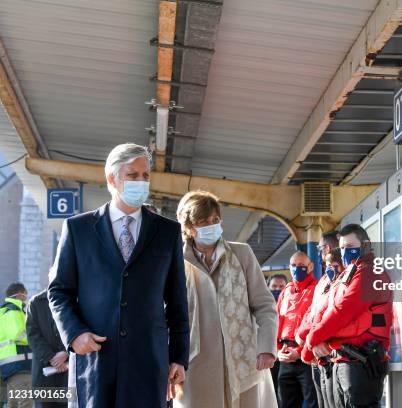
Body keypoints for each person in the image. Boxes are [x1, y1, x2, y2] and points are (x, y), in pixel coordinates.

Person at [48, 143, 189, 408]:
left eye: (145, 175)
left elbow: (177, 301)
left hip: (149, 362)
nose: (141, 182)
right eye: (133, 175)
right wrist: (75, 334)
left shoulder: (167, 232)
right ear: (112, 179)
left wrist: (179, 356)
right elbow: (59, 291)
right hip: (96, 360)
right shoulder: (78, 229)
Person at [175, 190, 278, 408]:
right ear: (189, 228)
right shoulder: (175, 261)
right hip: (195, 365)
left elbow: (264, 305)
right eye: (203, 221)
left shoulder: (242, 254)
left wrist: (266, 346)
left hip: (243, 362)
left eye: (215, 219)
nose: (212, 225)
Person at [306, 224, 392, 408]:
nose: (346, 252)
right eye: (342, 247)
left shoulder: (369, 272)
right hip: (343, 360)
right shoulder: (348, 274)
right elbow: (326, 311)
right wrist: (312, 344)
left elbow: (343, 312)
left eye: (351, 246)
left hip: (361, 362)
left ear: (366, 245)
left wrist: (312, 340)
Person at [297, 248, 343, 408]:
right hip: (317, 353)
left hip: (330, 352)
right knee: (322, 402)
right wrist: (301, 334)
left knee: (333, 403)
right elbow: (313, 312)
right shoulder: (323, 282)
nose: (330, 268)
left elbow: (332, 316)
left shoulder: (343, 284)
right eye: (327, 265)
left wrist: (310, 342)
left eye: (324, 248)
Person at [275, 251, 318, 408]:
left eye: (301, 266)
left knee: (314, 403)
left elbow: (317, 324)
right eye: (293, 265)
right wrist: (278, 350)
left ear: (310, 266)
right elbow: (278, 320)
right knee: (285, 404)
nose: (297, 269)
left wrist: (300, 351)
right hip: (285, 357)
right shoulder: (286, 291)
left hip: (307, 357)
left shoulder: (317, 289)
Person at [26, 285, 69, 408]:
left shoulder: (72, 301)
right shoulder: (35, 302)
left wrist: (65, 352)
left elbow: (75, 329)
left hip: (67, 372)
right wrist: (51, 357)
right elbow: (32, 335)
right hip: (43, 374)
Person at [0, 283, 32, 408]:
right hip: (19, 365)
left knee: (13, 403)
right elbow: (18, 334)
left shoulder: (6, 310)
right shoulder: (13, 310)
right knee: (25, 403)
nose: (26, 297)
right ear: (19, 294)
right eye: (25, 294)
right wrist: (34, 337)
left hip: (12, 365)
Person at [267, 273, 288, 399]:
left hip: (285, 356)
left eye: (281, 286)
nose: (277, 289)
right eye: (274, 286)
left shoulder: (291, 306)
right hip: (267, 354)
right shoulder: (260, 307)